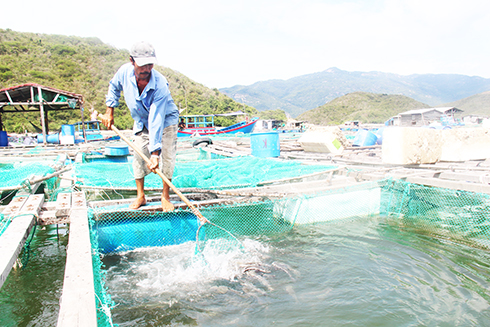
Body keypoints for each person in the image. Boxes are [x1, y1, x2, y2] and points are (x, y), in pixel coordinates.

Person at [100, 41, 179, 212]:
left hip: (166, 120)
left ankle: (165, 196)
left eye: (150, 64)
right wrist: (109, 111)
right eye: (142, 65)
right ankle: (140, 196)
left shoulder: (160, 84)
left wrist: (155, 153)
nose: (146, 69)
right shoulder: (123, 73)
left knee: (167, 158)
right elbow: (114, 87)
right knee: (138, 154)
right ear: (132, 61)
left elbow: (156, 118)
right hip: (141, 120)